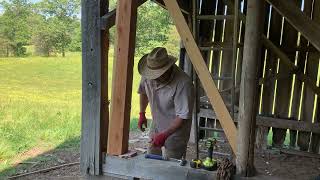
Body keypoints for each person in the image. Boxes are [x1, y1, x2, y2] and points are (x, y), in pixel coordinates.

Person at [137, 47, 195, 159]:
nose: (153, 78)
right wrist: (142, 113)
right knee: (151, 155)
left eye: (157, 75)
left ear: (167, 69)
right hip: (157, 121)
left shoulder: (183, 84)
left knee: (171, 162)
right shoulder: (148, 73)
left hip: (177, 127)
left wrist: (165, 134)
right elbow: (143, 92)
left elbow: (182, 116)